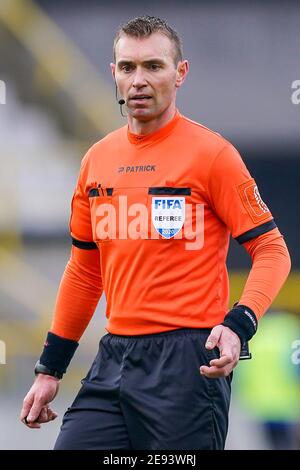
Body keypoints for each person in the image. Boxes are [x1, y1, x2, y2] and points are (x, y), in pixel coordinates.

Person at [20, 15, 291, 450]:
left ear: (179, 73)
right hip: (114, 357)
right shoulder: (97, 159)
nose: (139, 80)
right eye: (127, 67)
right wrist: (50, 369)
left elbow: (272, 250)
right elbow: (85, 273)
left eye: (153, 66)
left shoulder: (212, 155)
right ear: (114, 74)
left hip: (187, 363)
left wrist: (239, 323)